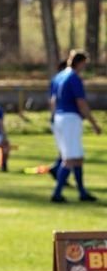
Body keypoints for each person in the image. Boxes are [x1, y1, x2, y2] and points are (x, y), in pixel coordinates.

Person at [50, 50, 101, 203]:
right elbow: (81, 103)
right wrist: (94, 123)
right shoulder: (73, 78)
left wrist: (53, 119)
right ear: (79, 62)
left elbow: (52, 101)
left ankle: (82, 192)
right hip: (70, 118)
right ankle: (57, 193)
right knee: (70, 158)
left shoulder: (58, 77)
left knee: (77, 157)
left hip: (58, 118)